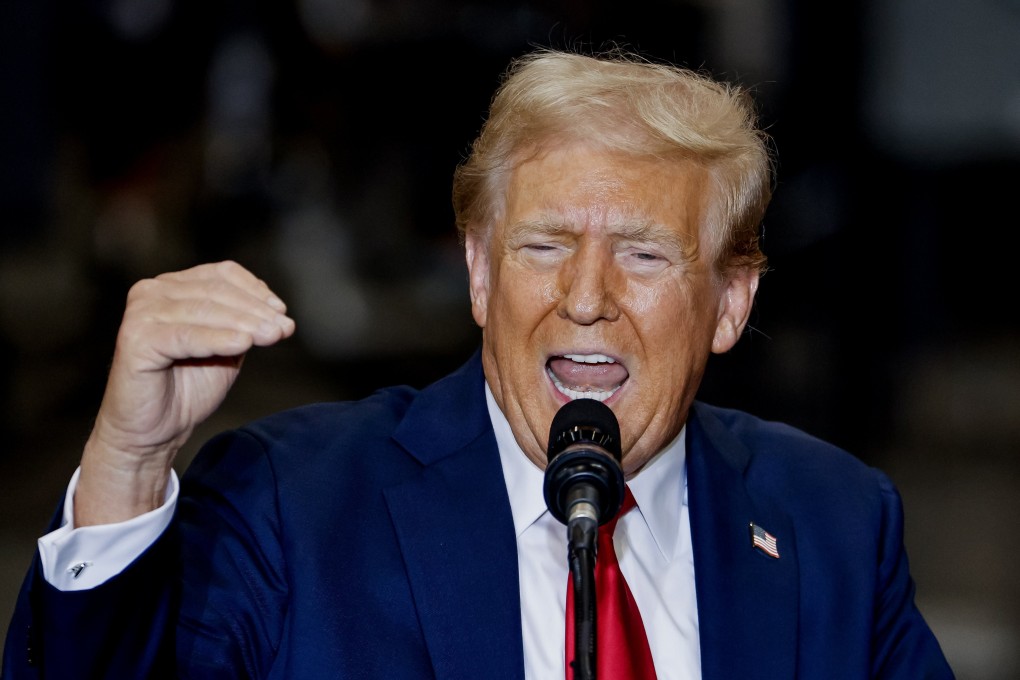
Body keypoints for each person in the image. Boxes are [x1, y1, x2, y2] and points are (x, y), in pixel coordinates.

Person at [3, 48, 953, 679]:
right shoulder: (292, 502)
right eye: (541, 246)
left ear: (731, 304)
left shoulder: (832, 521)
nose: (584, 297)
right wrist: (128, 462)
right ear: (476, 271)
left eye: (644, 252)